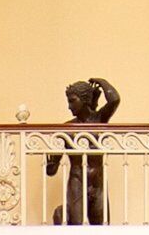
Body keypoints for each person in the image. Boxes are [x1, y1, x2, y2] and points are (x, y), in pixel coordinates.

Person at [42, 76, 120, 224]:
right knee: (76, 227)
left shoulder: (99, 120)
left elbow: (114, 100)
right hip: (77, 181)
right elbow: (51, 171)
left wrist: (102, 82)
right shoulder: (66, 129)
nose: (69, 107)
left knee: (102, 228)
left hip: (98, 183)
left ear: (84, 100)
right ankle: (60, 215)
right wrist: (50, 162)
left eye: (72, 101)